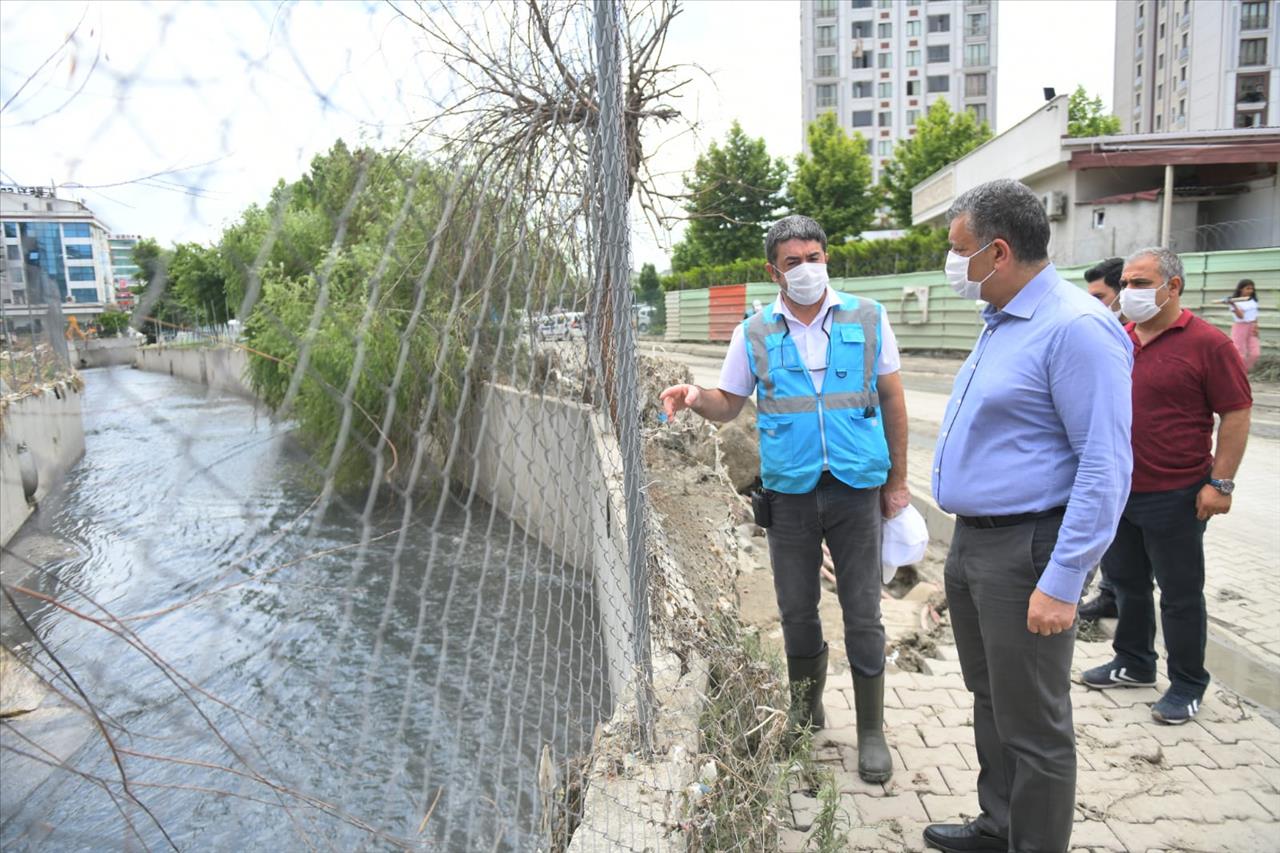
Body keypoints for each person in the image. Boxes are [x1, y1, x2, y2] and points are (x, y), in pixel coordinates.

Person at [659, 214, 910, 783]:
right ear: (774, 271)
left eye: (814, 257)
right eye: (792, 261)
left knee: (863, 611)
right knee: (797, 608)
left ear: (828, 258)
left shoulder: (869, 318)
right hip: (790, 493)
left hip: (855, 489)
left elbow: (893, 398)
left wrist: (897, 481)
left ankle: (871, 730)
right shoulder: (754, 332)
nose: (806, 269)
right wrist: (696, 394)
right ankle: (804, 711)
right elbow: (729, 402)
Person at [924, 180, 1133, 853]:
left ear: (999, 250)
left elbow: (1105, 465)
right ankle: (999, 825)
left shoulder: (1075, 328)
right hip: (977, 545)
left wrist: (1065, 577)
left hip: (1028, 550)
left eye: (959, 250)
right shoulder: (1005, 318)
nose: (952, 264)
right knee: (993, 697)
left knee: (1037, 726)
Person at [1083, 248, 1252, 725]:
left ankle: (1187, 683)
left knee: (1179, 593)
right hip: (1121, 491)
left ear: (1173, 286)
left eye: (1141, 284)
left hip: (1177, 494)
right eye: (1127, 284)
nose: (1129, 293)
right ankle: (1134, 662)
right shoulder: (1120, 337)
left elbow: (1236, 413)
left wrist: (1221, 482)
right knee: (1129, 586)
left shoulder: (1208, 344)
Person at [1078, 256, 1126, 620]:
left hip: (1155, 480)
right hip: (1113, 469)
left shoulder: (1115, 340)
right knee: (1116, 551)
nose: (1093, 303)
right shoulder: (1098, 335)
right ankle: (1108, 594)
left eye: (1100, 295)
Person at [1224, 278, 1260, 372]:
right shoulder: (1235, 302)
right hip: (1240, 326)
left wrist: (1256, 327)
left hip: (1252, 326)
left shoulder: (1253, 301)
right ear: (1241, 289)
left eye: (1252, 289)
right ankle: (1238, 372)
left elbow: (1255, 315)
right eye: (1248, 288)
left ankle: (1244, 371)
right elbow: (1240, 316)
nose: (1250, 291)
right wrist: (1233, 305)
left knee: (1255, 353)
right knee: (1240, 353)